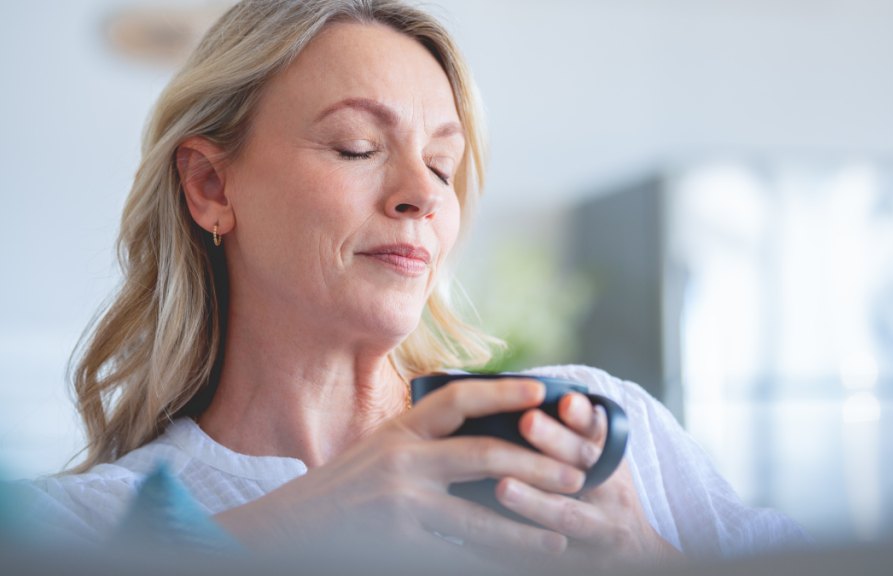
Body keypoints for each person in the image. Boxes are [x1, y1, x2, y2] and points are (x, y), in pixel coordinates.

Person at [19, 0, 804, 569]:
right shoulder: (84, 529)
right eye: (358, 147)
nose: (424, 194)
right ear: (210, 188)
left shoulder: (598, 436)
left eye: (442, 163)